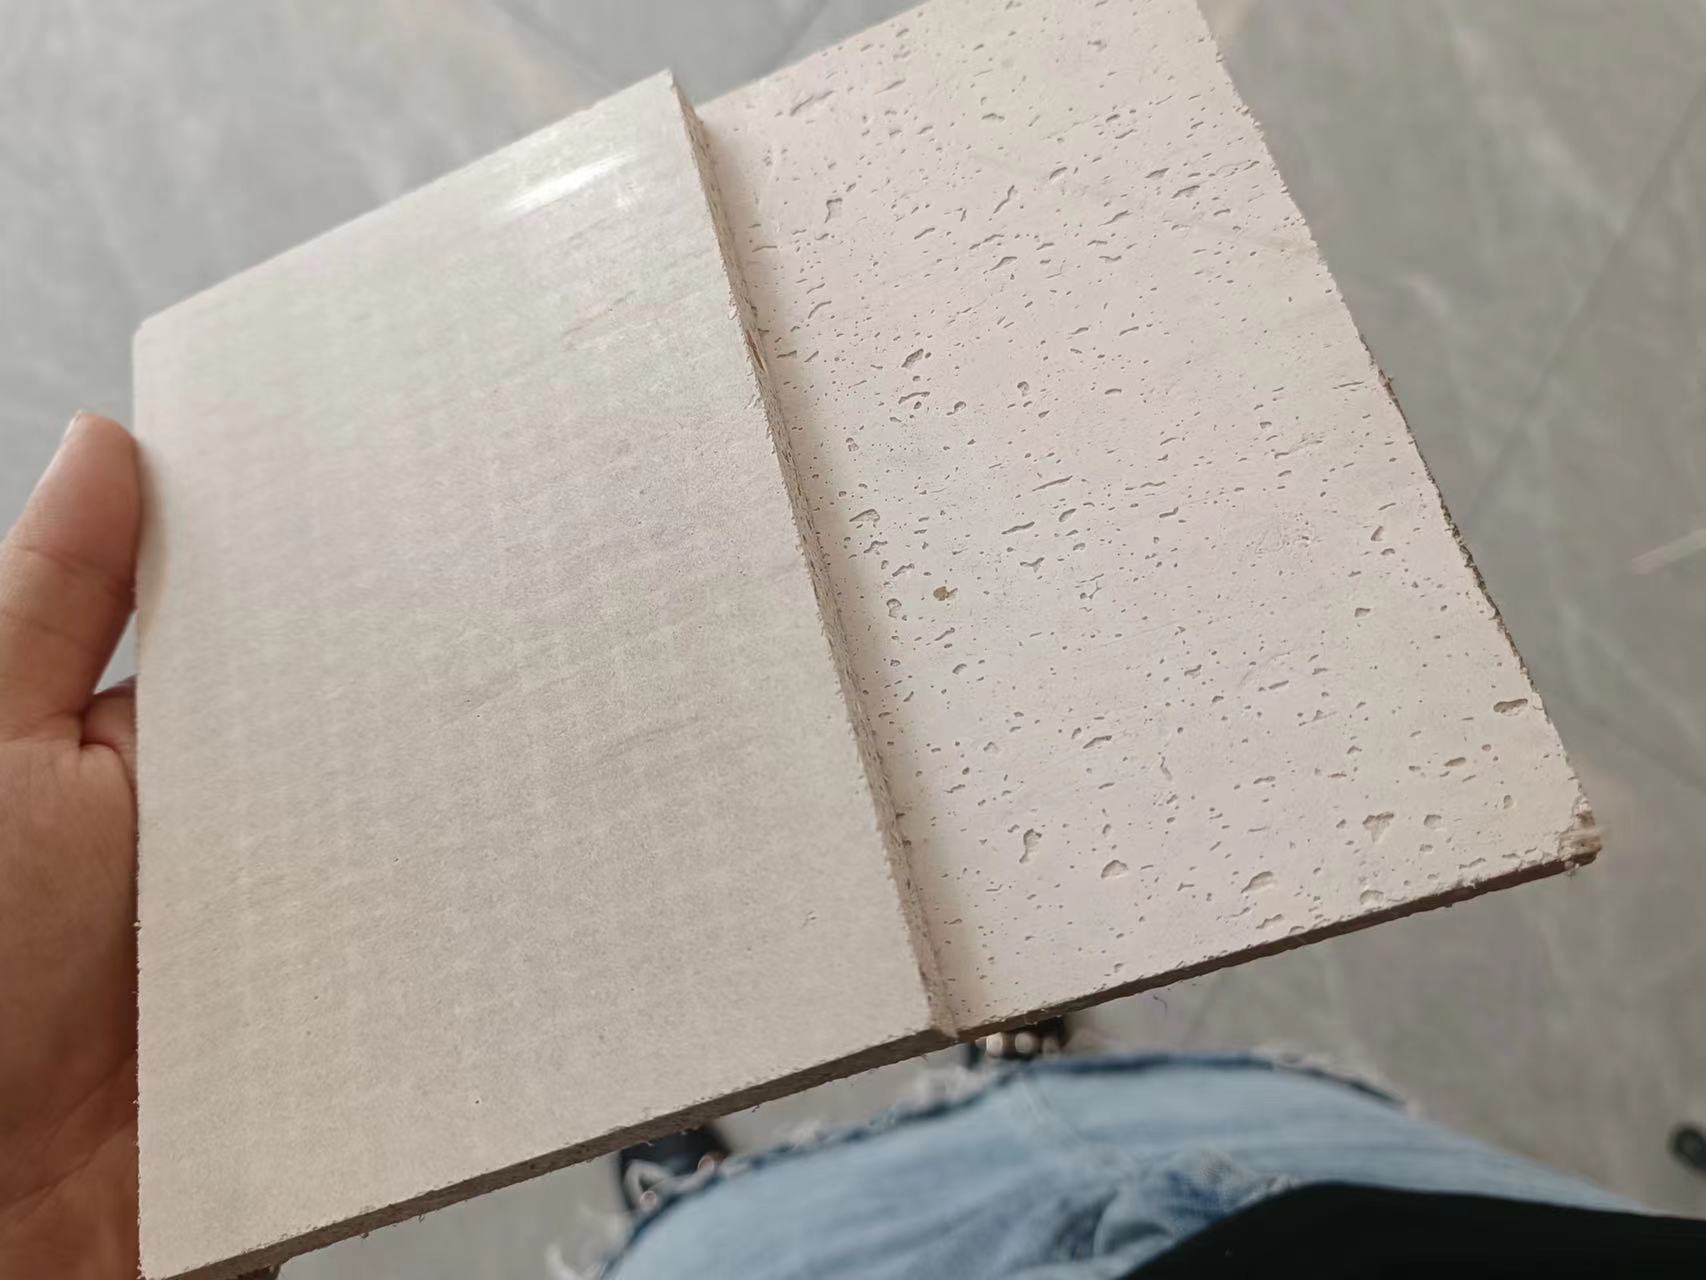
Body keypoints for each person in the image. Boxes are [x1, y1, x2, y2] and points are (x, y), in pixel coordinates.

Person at [1, 415, 1701, 1279]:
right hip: (1376, 1218)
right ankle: (1007, 1075)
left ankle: (701, 1183)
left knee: (737, 1234)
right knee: (1120, 1115)